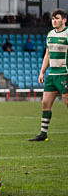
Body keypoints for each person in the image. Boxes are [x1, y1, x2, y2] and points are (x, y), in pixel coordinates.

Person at [29, 9, 68, 141]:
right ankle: (43, 133)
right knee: (45, 103)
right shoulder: (50, 34)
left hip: (64, 73)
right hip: (52, 74)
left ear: (64, 20)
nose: (54, 21)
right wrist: (42, 72)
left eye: (57, 18)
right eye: (52, 18)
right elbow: (48, 54)